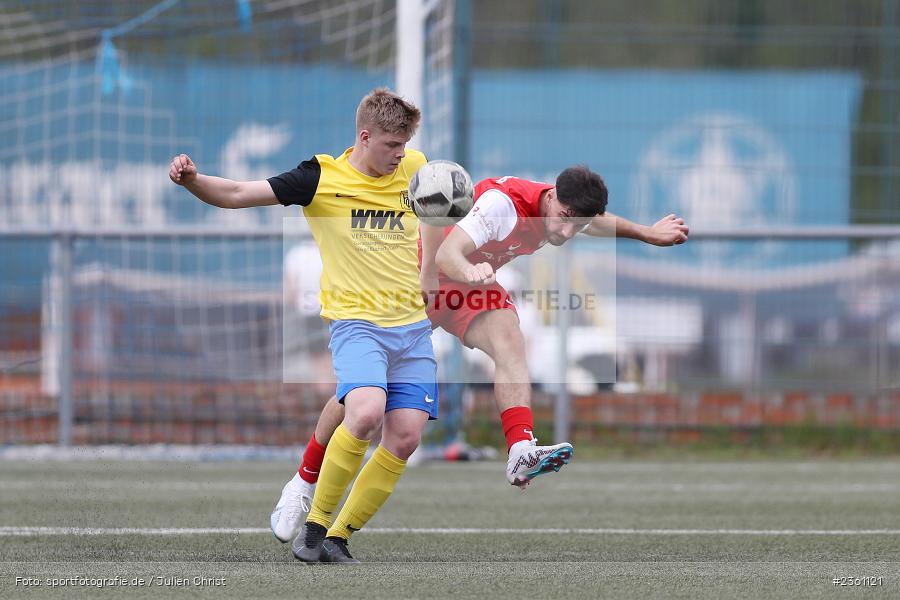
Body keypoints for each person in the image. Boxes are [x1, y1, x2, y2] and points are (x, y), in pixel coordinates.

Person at [271, 166, 690, 541]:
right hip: (424, 279)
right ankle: (303, 480)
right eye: (563, 219)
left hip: (469, 285)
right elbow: (447, 253)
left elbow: (595, 223)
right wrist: (471, 271)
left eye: (574, 226)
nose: (564, 233)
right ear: (549, 199)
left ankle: (520, 450)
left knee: (510, 339)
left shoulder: (565, 211)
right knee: (361, 402)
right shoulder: (502, 206)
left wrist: (647, 233)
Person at [170, 88, 443, 564]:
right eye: (392, 145)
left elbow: (439, 214)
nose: (401, 154)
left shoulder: (417, 167)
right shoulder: (320, 176)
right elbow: (237, 194)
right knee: (363, 412)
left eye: (405, 145)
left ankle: (339, 537)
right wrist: (191, 180)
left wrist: (430, 272)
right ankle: (313, 526)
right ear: (364, 136)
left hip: (413, 329)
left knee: (405, 437)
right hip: (357, 325)